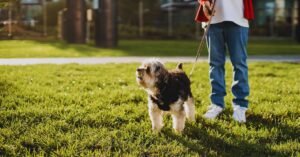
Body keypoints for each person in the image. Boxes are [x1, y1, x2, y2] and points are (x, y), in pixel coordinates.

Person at [195, 0, 254, 122]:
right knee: (215, 64)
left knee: (239, 64)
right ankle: (217, 104)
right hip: (213, 18)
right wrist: (204, 2)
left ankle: (240, 105)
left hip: (238, 18)